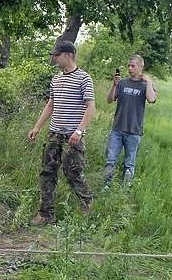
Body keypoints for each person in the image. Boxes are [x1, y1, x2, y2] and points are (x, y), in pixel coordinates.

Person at [27, 40, 95, 226]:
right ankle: (46, 214)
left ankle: (87, 204)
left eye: (57, 55)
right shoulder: (56, 79)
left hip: (73, 136)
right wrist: (37, 127)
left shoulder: (84, 78)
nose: (54, 59)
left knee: (73, 171)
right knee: (47, 172)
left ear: (68, 55)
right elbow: (51, 105)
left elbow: (90, 108)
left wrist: (79, 131)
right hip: (54, 134)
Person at [103, 54, 157, 188]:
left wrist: (149, 82)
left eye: (133, 65)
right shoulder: (122, 83)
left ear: (140, 67)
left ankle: (124, 189)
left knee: (129, 164)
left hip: (134, 131)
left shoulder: (145, 85)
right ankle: (106, 186)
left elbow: (151, 99)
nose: (129, 68)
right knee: (110, 160)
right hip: (117, 129)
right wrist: (114, 85)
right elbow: (109, 100)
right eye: (128, 65)